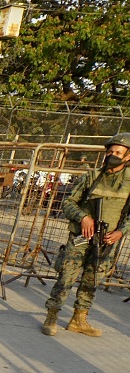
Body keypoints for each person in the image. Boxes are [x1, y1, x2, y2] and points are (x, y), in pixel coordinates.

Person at [41, 133, 130, 337]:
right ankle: (52, 316)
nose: (112, 155)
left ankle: (79, 319)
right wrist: (83, 218)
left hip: (106, 241)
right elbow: (68, 203)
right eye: (110, 152)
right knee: (66, 276)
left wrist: (120, 232)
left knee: (92, 280)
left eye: (118, 153)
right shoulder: (92, 176)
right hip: (81, 237)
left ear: (128, 157)